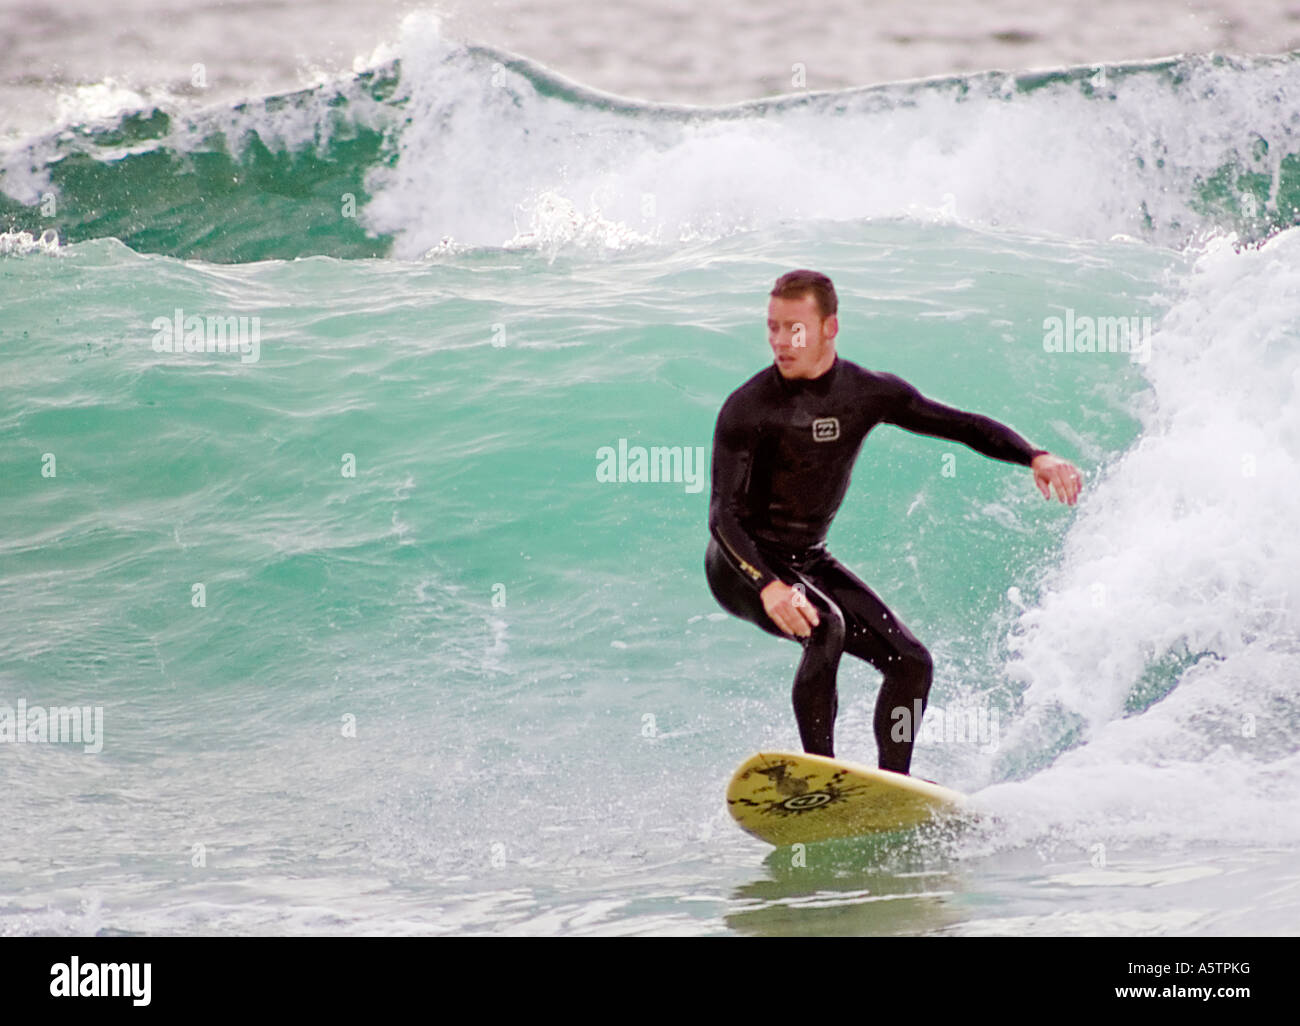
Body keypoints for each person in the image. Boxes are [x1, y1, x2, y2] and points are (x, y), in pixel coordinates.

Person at [705, 269, 1082, 774]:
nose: (780, 341)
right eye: (772, 327)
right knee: (826, 627)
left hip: (806, 561)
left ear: (829, 327)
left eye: (794, 328)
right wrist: (770, 586)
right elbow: (722, 517)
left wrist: (1034, 456)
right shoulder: (748, 408)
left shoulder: (867, 394)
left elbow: (960, 425)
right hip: (740, 566)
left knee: (911, 664)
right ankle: (823, 775)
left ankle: (891, 785)